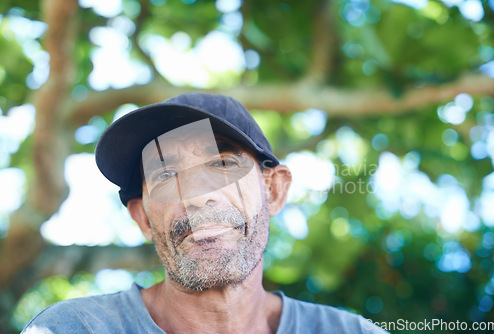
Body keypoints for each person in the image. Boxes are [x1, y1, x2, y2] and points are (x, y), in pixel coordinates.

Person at [23, 93, 387, 333]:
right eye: (165, 175)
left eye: (223, 163)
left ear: (273, 190)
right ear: (144, 219)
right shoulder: (73, 329)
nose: (197, 198)